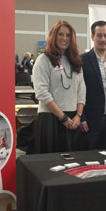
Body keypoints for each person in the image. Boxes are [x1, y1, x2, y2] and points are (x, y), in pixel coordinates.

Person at [31, 20, 85, 153]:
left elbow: (81, 91)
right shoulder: (43, 60)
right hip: (50, 119)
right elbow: (42, 92)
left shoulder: (75, 61)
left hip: (73, 120)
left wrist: (78, 115)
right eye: (61, 34)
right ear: (53, 36)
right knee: (51, 164)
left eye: (68, 35)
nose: (64, 38)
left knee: (71, 164)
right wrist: (63, 118)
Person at [80, 20, 106, 150]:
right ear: (92, 37)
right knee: (88, 159)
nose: (103, 39)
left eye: (105, 35)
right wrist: (82, 117)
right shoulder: (83, 60)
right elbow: (78, 91)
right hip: (90, 121)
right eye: (99, 35)